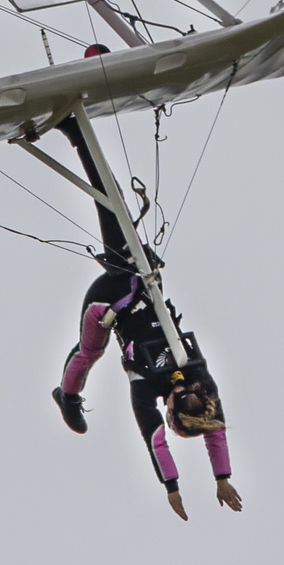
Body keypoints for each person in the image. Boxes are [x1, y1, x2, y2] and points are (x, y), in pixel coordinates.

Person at [49, 118, 244, 520]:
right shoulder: (198, 384)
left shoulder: (152, 392)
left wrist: (192, 482)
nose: (179, 401)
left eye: (175, 411)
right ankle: (77, 129)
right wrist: (213, 478)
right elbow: (196, 435)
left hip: (106, 306)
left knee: (91, 351)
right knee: (111, 198)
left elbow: (166, 439)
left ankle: (67, 395)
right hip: (132, 282)